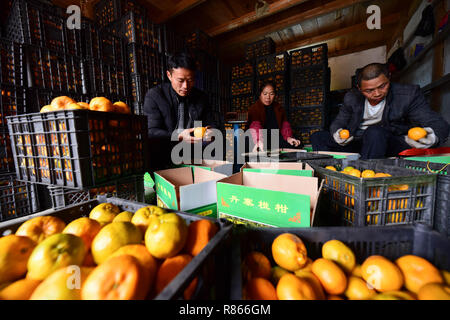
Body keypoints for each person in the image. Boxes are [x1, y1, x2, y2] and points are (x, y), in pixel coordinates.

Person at [311, 63, 449, 159]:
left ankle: (367, 177)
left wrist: (432, 136)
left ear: (389, 78)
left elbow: (437, 123)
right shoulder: (351, 97)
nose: (377, 93)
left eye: (382, 86)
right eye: (369, 90)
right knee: (318, 136)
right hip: (359, 142)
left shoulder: (408, 95)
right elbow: (338, 122)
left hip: (388, 142)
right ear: (359, 88)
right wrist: (337, 134)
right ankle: (330, 173)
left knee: (375, 132)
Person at [143, 52, 217, 170]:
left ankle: (204, 176)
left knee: (216, 142)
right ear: (169, 75)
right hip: (167, 147)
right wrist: (179, 136)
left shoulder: (201, 97)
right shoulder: (155, 95)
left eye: (190, 80)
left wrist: (211, 132)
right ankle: (162, 179)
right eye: (180, 80)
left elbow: (212, 124)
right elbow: (151, 131)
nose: (186, 86)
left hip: (193, 147)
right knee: (151, 146)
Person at [247, 81, 302, 153]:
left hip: (275, 138)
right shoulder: (254, 108)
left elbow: (284, 125)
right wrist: (259, 140)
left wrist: (288, 138)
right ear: (260, 94)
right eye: (265, 94)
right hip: (260, 138)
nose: (268, 97)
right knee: (249, 143)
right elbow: (255, 126)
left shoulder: (279, 108)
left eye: (271, 94)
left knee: (296, 144)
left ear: (275, 95)